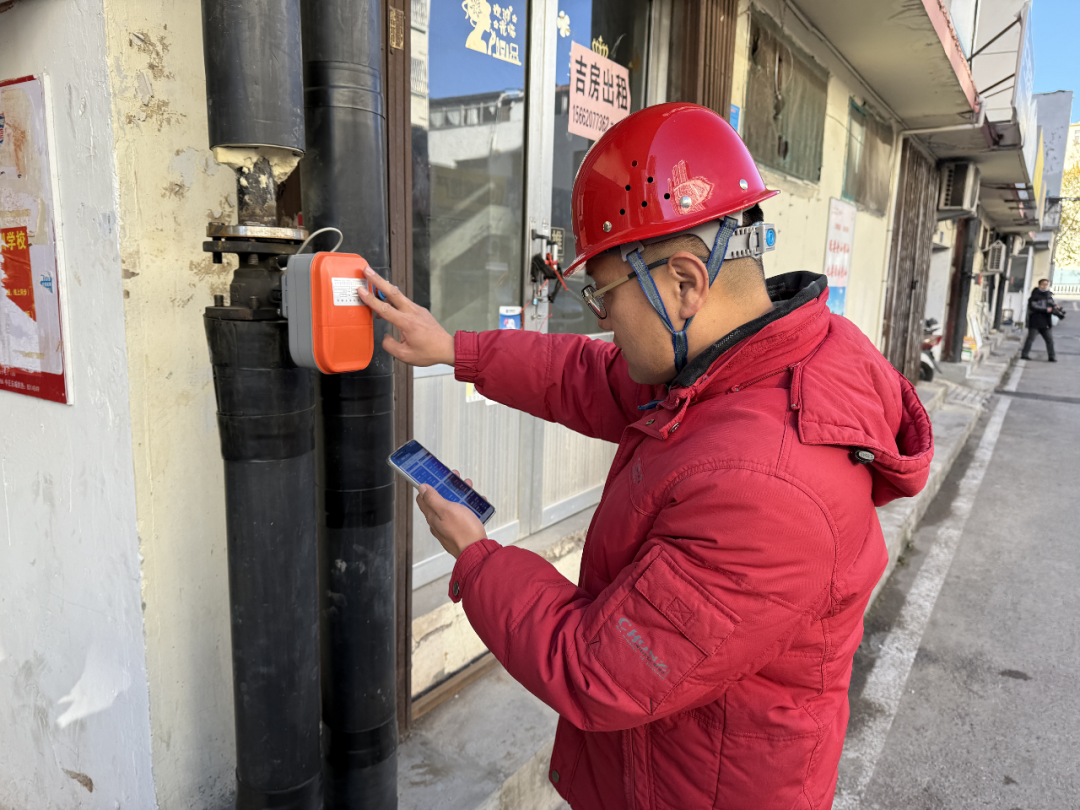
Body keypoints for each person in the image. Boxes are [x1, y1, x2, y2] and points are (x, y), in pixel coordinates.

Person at [358, 103, 933, 809]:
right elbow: (591, 378)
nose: (603, 322)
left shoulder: (766, 485)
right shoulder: (747, 364)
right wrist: (455, 349)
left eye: (605, 297)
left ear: (685, 283)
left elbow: (596, 669)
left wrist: (478, 558)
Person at [1021, 278, 1058, 361]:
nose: (1045, 286)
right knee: (1030, 339)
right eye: (1043, 285)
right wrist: (1045, 310)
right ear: (1039, 285)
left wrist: (1055, 308)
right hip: (1035, 321)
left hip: (1046, 322)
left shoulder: (1049, 295)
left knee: (1050, 340)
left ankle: (1052, 356)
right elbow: (1033, 307)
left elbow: (1051, 305)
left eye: (1046, 285)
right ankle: (1024, 354)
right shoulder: (1035, 295)